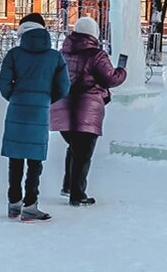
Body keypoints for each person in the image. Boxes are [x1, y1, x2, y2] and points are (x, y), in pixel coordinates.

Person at [0, 12, 71, 222]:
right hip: (40, 112)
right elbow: (64, 87)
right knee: (35, 161)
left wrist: (14, 96)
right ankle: (30, 205)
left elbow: (3, 83)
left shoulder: (14, 54)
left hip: (17, 110)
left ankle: (14, 204)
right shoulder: (55, 57)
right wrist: (46, 99)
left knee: (16, 159)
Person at [50, 16, 127, 207]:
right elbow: (110, 80)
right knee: (83, 152)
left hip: (63, 106)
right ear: (94, 34)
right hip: (87, 108)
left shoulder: (62, 53)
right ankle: (78, 194)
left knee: (74, 147)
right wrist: (122, 71)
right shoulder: (96, 55)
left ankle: (68, 186)